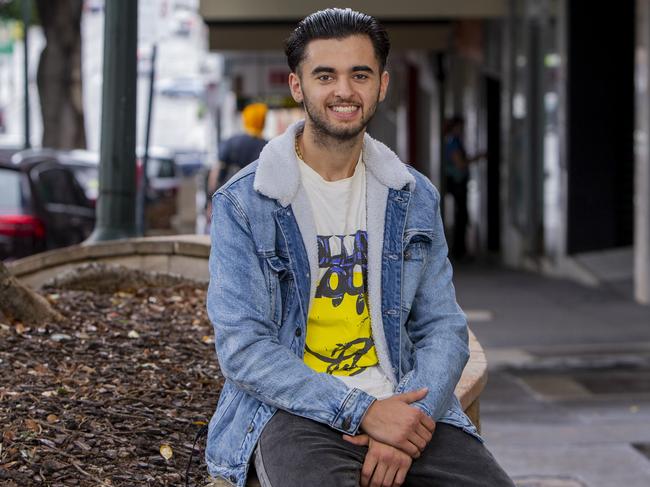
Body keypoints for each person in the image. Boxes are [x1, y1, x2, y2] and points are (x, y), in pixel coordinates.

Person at [206, 8, 514, 487]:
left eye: (360, 74)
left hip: (404, 400)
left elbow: (443, 327)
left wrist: (405, 422)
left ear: (382, 85)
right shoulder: (246, 203)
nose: (344, 91)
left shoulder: (414, 196)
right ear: (297, 86)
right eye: (325, 75)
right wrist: (362, 412)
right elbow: (244, 347)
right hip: (297, 410)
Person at [205, 102, 268, 223]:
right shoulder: (268, 147)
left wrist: (209, 202)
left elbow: (216, 174)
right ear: (263, 122)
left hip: (229, 202)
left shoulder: (231, 143)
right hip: (257, 208)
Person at [444, 115, 485, 260]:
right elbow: (460, 163)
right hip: (458, 184)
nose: (462, 130)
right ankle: (460, 251)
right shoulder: (453, 142)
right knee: (461, 217)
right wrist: (477, 157)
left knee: (461, 216)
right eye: (461, 126)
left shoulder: (453, 141)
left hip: (458, 184)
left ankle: (460, 250)